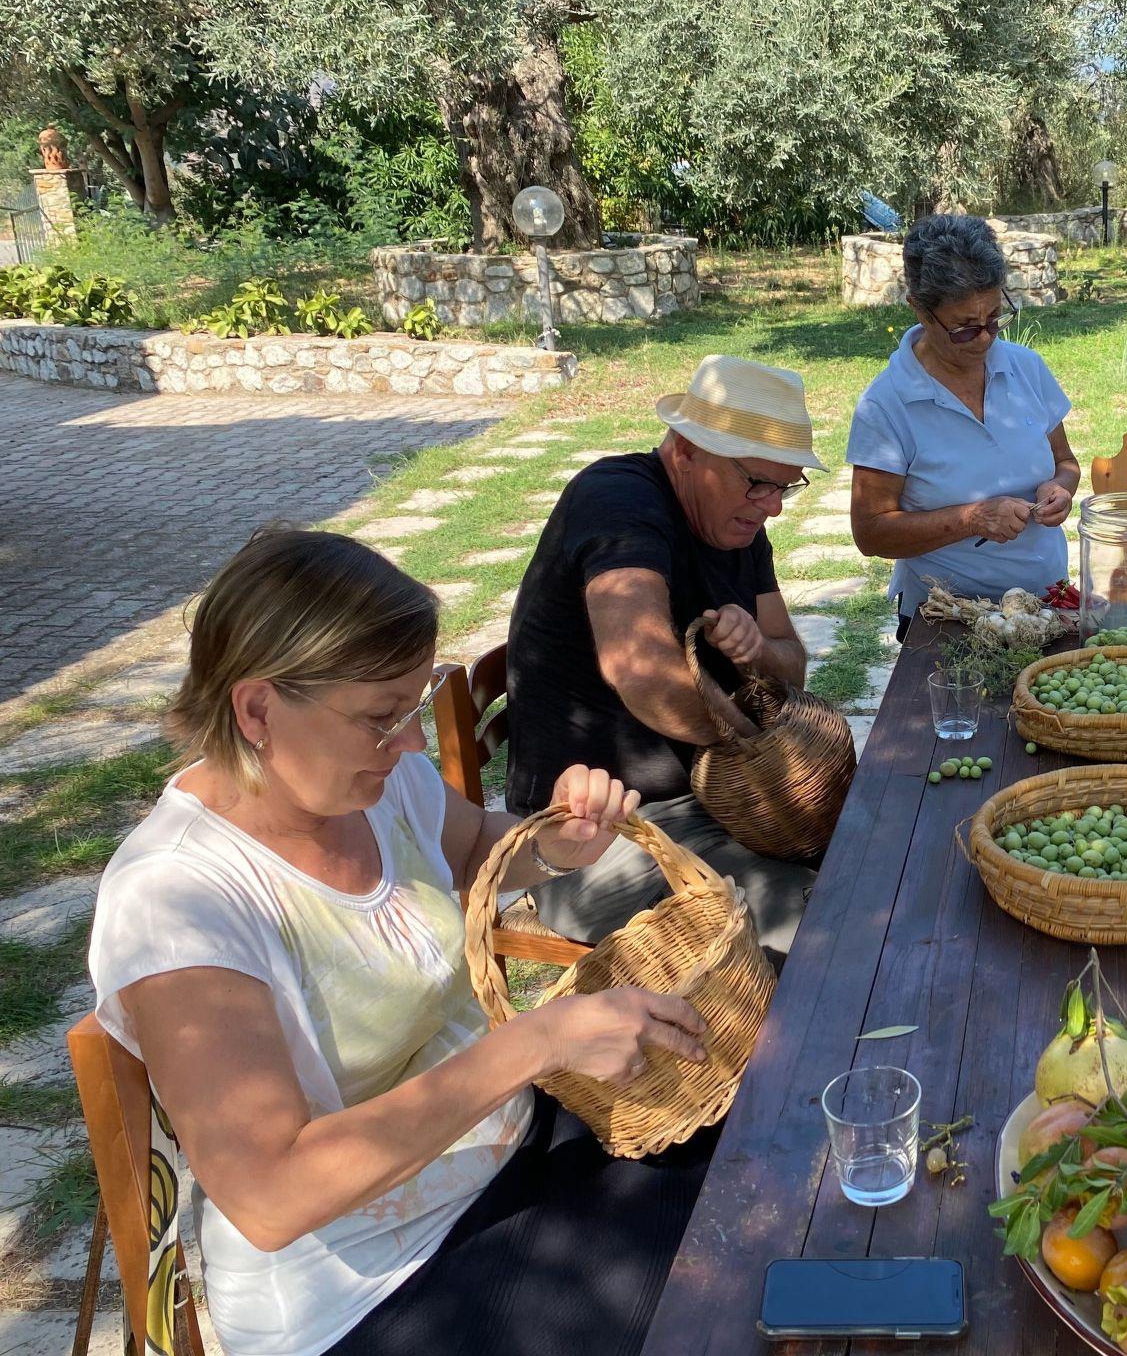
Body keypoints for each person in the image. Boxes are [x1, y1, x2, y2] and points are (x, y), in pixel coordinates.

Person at [88, 528, 714, 1356]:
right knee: (711, 1288)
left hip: (503, 1154)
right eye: (382, 718)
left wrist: (557, 844)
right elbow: (270, 1196)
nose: (413, 743)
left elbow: (470, 849)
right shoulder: (178, 900)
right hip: (370, 1285)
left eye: (414, 708)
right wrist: (539, 1043)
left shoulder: (372, 784)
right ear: (257, 709)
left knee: (741, 1156)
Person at [506, 355, 820, 951]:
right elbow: (641, 670)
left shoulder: (739, 526)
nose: (773, 505)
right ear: (686, 451)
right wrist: (756, 751)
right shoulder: (618, 500)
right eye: (758, 481)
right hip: (599, 835)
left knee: (877, 851)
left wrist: (757, 653)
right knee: (824, 928)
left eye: (785, 486)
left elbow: (791, 664)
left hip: (714, 801)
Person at [848, 213, 1080, 633]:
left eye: (995, 318)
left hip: (1046, 607)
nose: (986, 338)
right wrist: (971, 518)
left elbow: (1066, 462)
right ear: (920, 311)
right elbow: (871, 533)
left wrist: (1060, 489)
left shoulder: (1026, 368)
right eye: (964, 328)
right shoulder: (887, 404)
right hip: (947, 617)